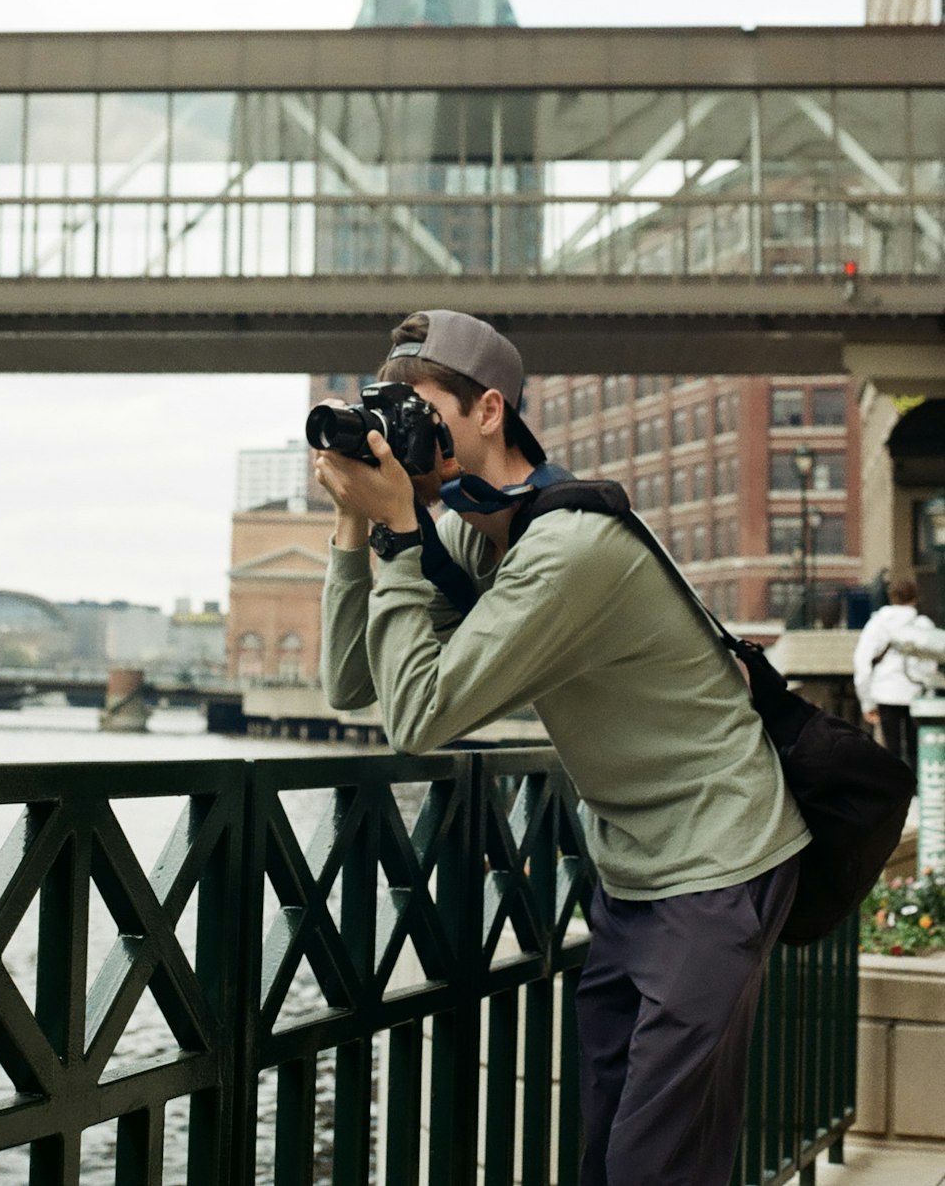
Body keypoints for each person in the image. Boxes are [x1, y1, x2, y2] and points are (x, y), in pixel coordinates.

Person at [316, 309, 810, 1186]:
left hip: (719, 856)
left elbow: (420, 717)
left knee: (654, 1164)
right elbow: (357, 684)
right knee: (609, 1152)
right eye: (387, 407)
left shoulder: (567, 543)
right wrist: (358, 524)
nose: (400, 428)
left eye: (419, 407)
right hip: (632, 870)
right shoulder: (477, 529)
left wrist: (397, 530)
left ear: (490, 411)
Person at [853, 574, 937, 771]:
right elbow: (931, 665)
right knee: (917, 749)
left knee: (890, 750)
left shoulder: (878, 625)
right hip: (916, 696)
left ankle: (896, 793)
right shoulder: (923, 625)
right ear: (915, 597)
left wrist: (867, 701)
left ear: (890, 596)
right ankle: (918, 791)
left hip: (885, 693)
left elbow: (862, 663)